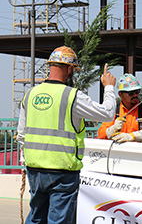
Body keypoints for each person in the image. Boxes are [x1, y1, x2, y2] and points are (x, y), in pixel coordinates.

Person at [16, 46, 117, 224]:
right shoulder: (72, 96)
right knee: (59, 221)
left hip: (35, 171)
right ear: (69, 68)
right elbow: (107, 113)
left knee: (36, 219)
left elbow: (21, 135)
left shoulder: (30, 94)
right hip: (62, 173)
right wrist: (109, 88)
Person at [98, 73, 142, 143]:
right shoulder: (113, 111)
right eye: (131, 93)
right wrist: (113, 129)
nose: (135, 95)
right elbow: (101, 134)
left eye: (137, 92)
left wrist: (131, 137)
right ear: (120, 94)